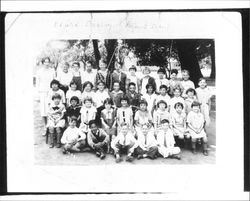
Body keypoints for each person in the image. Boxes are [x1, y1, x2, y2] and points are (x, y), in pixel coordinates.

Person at [36, 57, 56, 130]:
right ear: (43, 63)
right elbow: (37, 84)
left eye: (48, 62)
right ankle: (45, 126)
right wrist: (37, 95)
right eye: (45, 62)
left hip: (51, 92)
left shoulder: (52, 71)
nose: (47, 64)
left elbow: (54, 81)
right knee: (43, 110)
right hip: (42, 92)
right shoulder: (39, 71)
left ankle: (50, 125)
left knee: (50, 109)